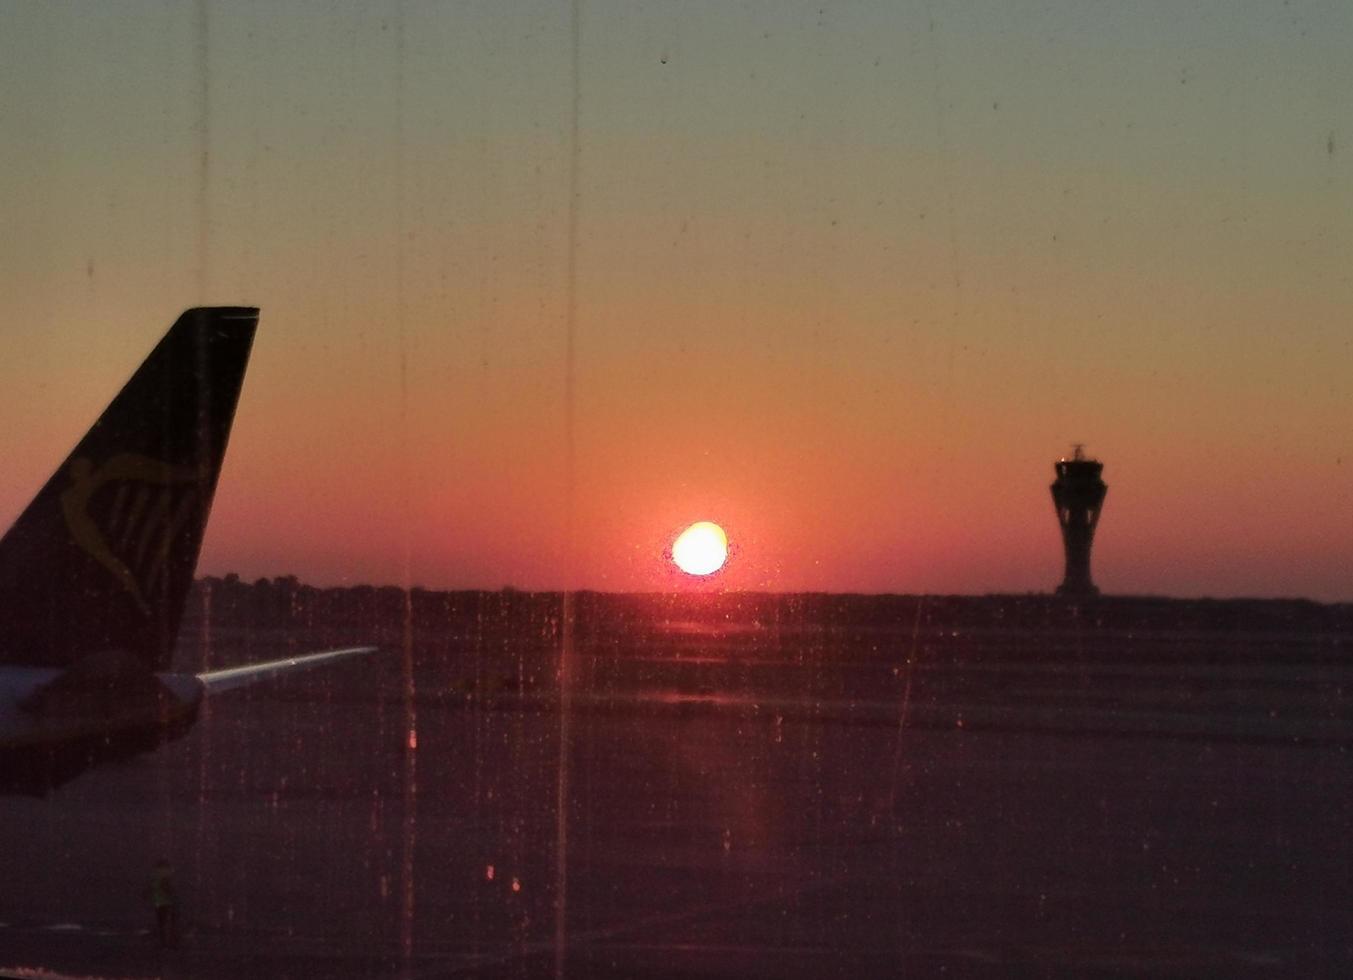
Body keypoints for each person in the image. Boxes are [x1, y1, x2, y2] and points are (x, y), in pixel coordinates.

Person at [147, 859, 178, 949]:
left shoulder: (155, 876)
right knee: (169, 922)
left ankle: (164, 941)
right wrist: (172, 894)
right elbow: (167, 886)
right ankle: (168, 941)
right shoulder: (166, 874)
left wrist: (147, 893)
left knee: (162, 922)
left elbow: (152, 887)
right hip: (168, 902)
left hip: (160, 902)